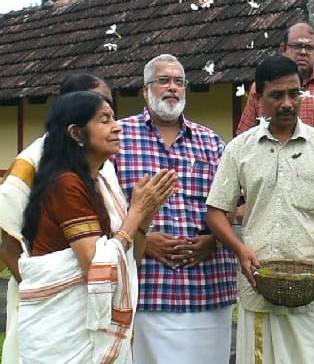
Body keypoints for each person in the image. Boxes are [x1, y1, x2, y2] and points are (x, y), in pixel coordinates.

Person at [205, 54, 314, 364]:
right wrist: (239, 249)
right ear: (259, 98)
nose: (287, 103)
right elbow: (215, 212)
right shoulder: (239, 149)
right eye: (276, 95)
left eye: (294, 93)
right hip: (258, 286)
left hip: (311, 289)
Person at [16, 91, 175, 363]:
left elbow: (127, 261)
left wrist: (144, 218)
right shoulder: (66, 184)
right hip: (63, 333)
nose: (117, 126)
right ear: (76, 134)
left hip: (81, 330)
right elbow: (96, 267)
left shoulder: (101, 181)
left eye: (114, 117)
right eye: (104, 120)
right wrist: (136, 212)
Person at [112, 54, 238, 364]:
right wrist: (142, 240)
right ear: (145, 90)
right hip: (148, 288)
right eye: (163, 81)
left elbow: (233, 203)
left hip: (208, 288)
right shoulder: (118, 138)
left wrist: (215, 240)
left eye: (179, 82)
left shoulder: (212, 142)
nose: (172, 88)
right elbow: (104, 208)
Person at [0, 73, 120, 364]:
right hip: (52, 305)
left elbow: (111, 234)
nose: (116, 126)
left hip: (96, 296)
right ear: (75, 126)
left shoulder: (102, 166)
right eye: (102, 114)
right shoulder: (34, 162)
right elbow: (7, 241)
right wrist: (49, 293)